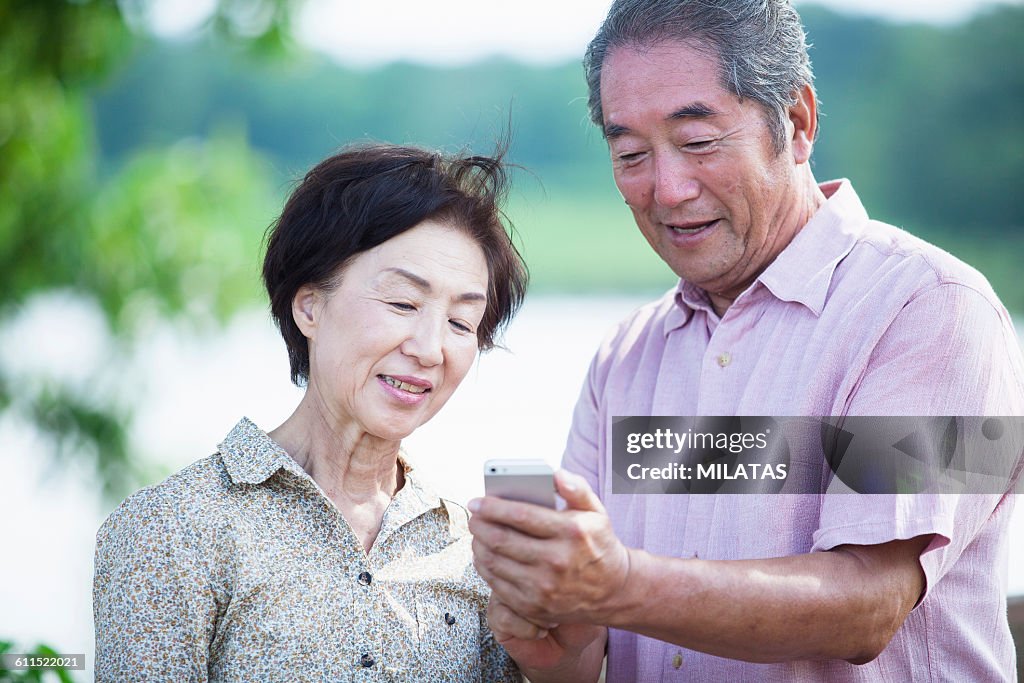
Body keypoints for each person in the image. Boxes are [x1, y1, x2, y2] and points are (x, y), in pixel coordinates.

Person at [468, 1, 1024, 681]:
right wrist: (559, 636)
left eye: (698, 142)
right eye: (630, 154)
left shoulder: (934, 310)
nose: (667, 190)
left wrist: (618, 583)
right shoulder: (626, 356)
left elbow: (870, 605)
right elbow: (589, 651)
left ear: (796, 122)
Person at [93, 143, 527, 681]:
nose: (431, 348)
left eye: (462, 323)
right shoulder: (171, 530)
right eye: (402, 303)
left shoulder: (469, 548)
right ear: (309, 306)